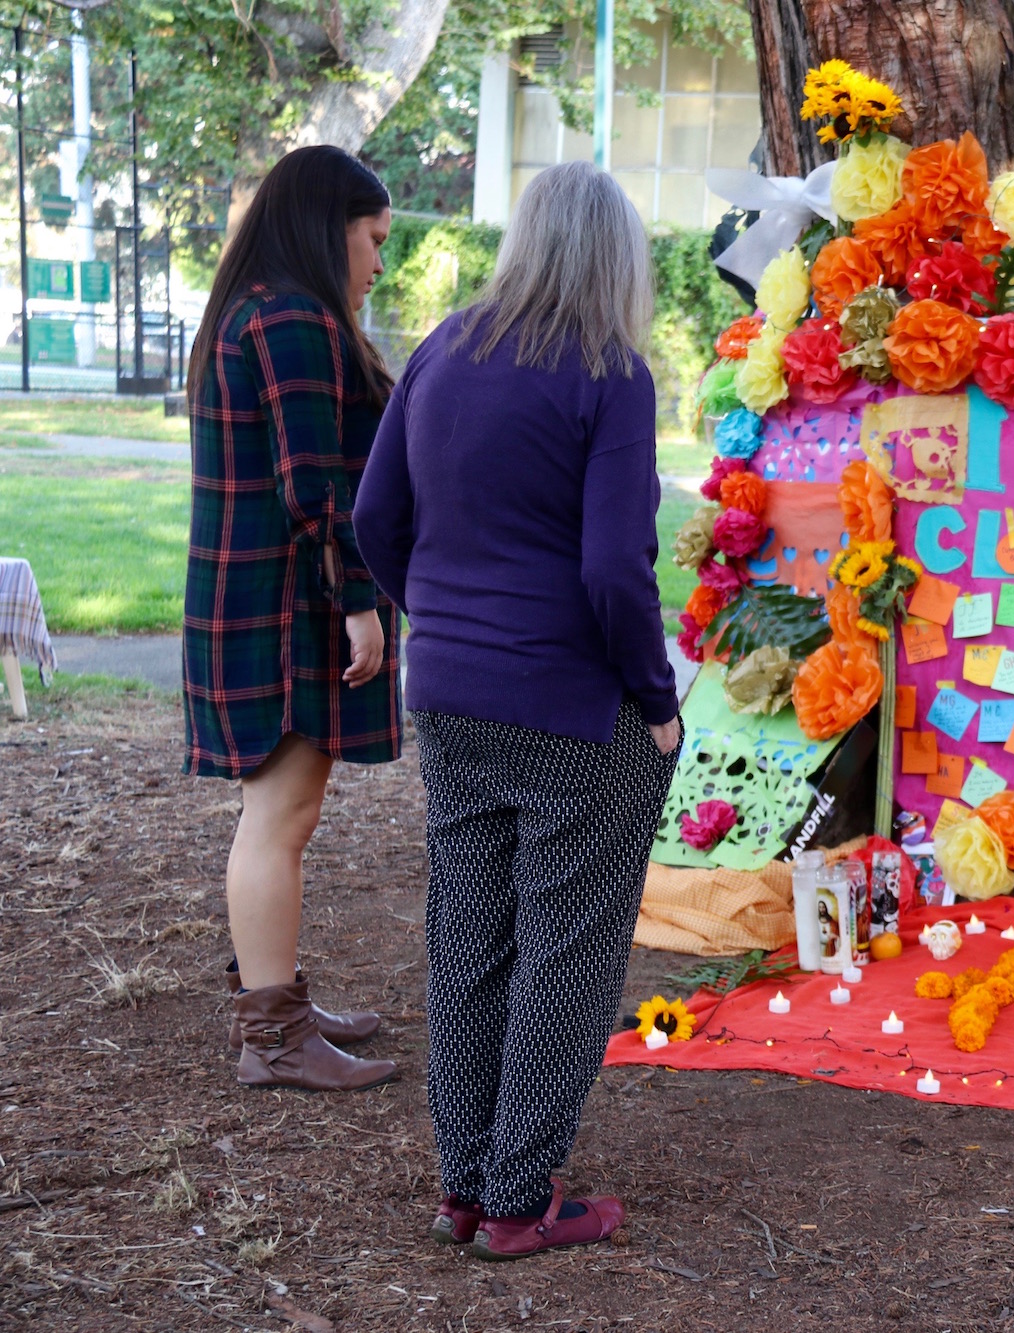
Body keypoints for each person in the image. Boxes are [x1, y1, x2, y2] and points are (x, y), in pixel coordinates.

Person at [353, 161, 681, 1261]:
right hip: (570, 703)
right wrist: (656, 700)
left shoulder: (443, 350)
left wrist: (439, 618)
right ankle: (517, 1196)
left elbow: (373, 517)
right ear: (618, 258)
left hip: (449, 691)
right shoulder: (611, 372)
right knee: (567, 948)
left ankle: (463, 1180)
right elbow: (613, 571)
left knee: (468, 935)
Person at [182, 144, 400, 1094]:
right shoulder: (294, 321)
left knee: (277, 815)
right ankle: (271, 1037)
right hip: (283, 605)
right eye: (373, 239)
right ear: (329, 227)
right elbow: (317, 489)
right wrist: (359, 601)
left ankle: (276, 1002)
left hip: (257, 597)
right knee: (280, 816)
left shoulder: (260, 310)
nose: (379, 263)